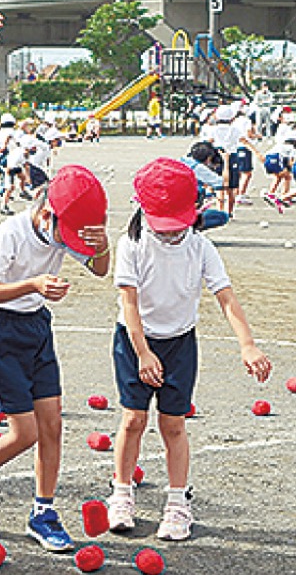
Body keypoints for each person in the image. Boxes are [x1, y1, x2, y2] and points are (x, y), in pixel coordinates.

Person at [107, 158, 271, 541]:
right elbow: (129, 304)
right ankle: (121, 493)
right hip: (135, 341)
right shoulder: (131, 243)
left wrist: (247, 345)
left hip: (180, 343)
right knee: (133, 420)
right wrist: (143, 352)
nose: (170, 233)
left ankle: (178, 501)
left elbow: (226, 298)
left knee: (173, 424)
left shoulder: (200, 246)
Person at [0, 167, 110, 552]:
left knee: (52, 425)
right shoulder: (9, 234)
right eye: (65, 234)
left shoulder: (61, 228)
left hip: (37, 329)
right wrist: (34, 284)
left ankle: (43, 513)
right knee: (25, 433)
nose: (66, 243)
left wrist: (102, 244)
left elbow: (101, 269)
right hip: (0, 333)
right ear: (45, 214)